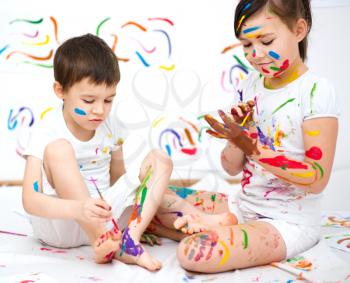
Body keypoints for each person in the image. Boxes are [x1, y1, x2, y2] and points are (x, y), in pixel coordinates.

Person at [154, 0, 339, 272]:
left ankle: (215, 225)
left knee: (194, 253)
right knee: (145, 199)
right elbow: (231, 167)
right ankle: (221, 222)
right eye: (247, 45)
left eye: (266, 41)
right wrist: (236, 136)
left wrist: (250, 146)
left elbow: (316, 178)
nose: (256, 54)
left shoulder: (314, 91)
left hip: (287, 223)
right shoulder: (248, 85)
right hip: (242, 206)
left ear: (299, 30)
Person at [22, 33, 173, 271]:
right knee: (59, 148)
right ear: (60, 91)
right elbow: (30, 201)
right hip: (62, 221)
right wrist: (79, 208)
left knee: (160, 160)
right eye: (89, 100)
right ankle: (99, 239)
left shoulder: (111, 127)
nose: (100, 111)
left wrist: (133, 204)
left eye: (108, 100)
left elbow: (117, 180)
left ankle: (129, 241)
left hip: (105, 220)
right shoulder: (45, 130)